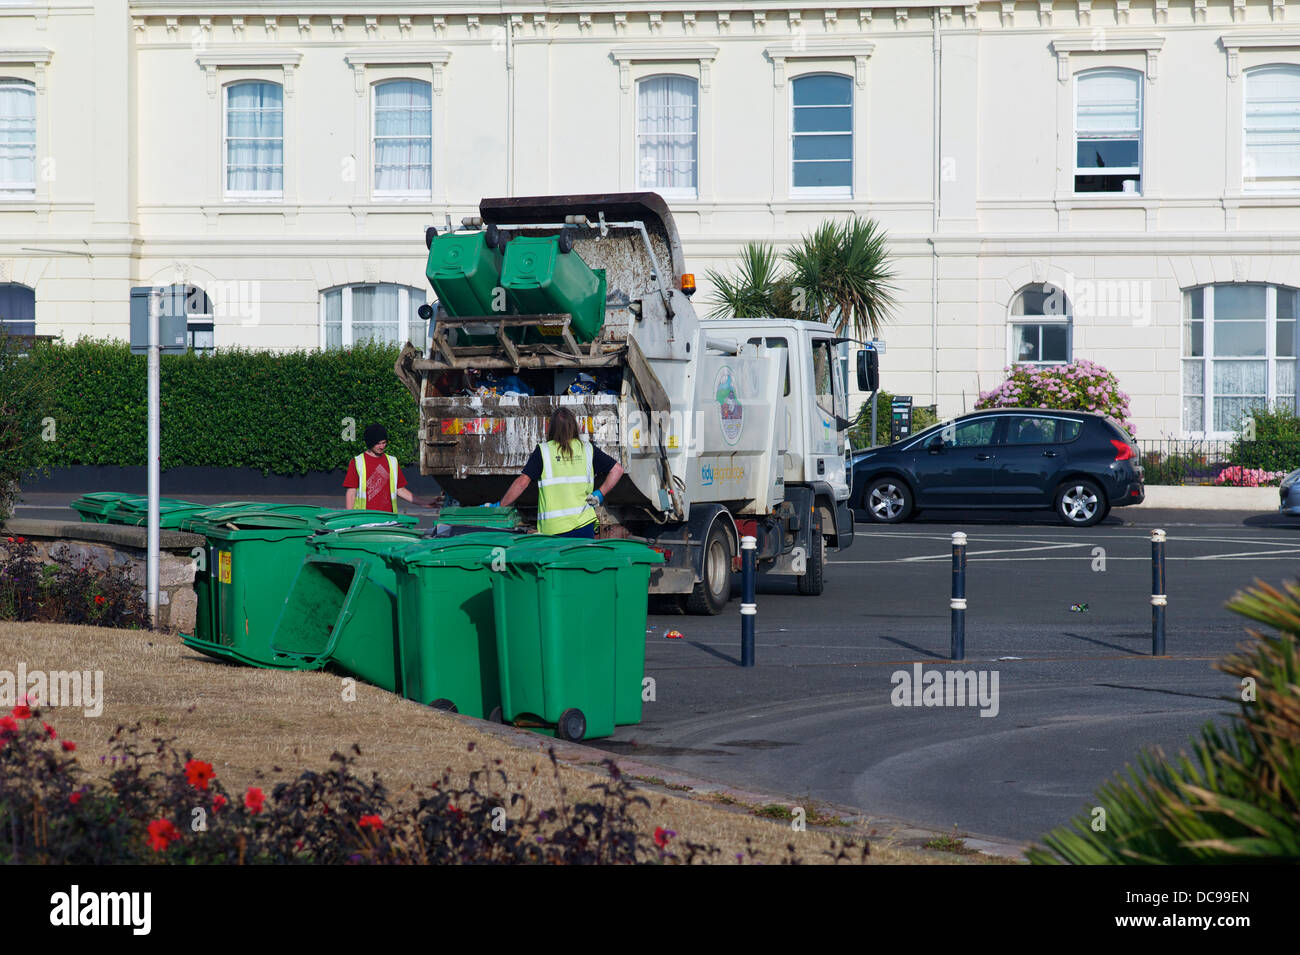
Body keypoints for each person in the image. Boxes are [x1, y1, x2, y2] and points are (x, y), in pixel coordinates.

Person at [497, 407, 623, 538]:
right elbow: (617, 470)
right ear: (574, 426)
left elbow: (522, 483)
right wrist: (600, 494)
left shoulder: (543, 451)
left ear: (552, 428)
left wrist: (500, 507)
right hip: (584, 525)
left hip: (554, 529)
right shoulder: (588, 449)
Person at [344, 423, 442, 513]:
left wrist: (425, 503)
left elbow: (400, 490)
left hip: (389, 518)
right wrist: (349, 518)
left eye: (384, 442)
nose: (382, 446)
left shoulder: (392, 461)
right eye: (378, 443)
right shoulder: (357, 462)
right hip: (364, 520)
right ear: (370, 443)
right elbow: (351, 492)